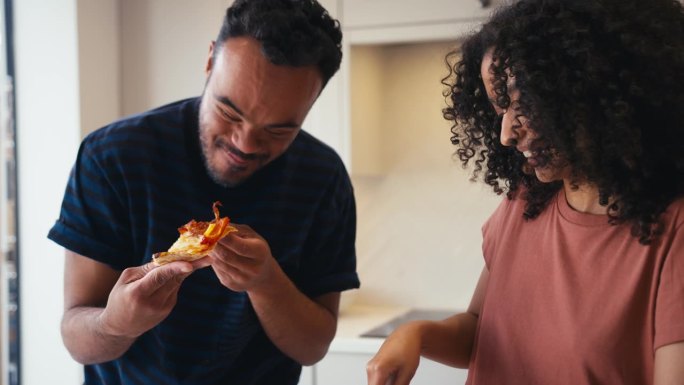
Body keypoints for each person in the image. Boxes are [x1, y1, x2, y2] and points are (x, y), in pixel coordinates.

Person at [366, 0, 684, 384]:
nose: (505, 133)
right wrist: (415, 334)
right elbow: (479, 331)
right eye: (500, 109)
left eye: (525, 103)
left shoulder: (674, 232)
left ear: (595, 87)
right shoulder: (523, 204)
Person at [47, 1, 360, 384]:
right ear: (210, 61)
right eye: (229, 112)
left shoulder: (323, 179)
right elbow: (77, 339)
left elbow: (313, 347)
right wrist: (116, 323)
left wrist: (266, 282)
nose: (244, 144)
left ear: (311, 103)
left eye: (278, 130)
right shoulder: (112, 157)